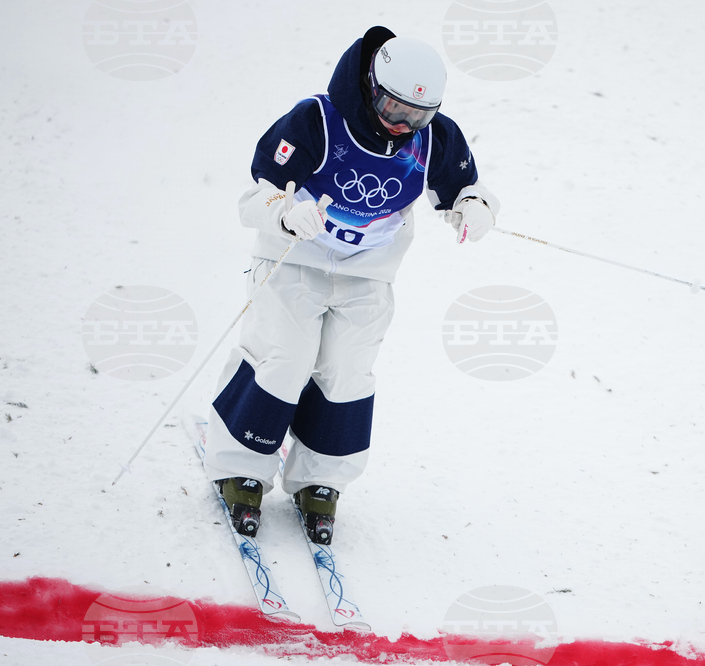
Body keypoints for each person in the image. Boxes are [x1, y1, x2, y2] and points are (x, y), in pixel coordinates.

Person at [202, 26, 500, 544]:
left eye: (417, 116)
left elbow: (462, 188)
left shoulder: (434, 137)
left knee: (348, 372)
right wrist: (286, 212)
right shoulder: (317, 121)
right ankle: (240, 466)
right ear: (371, 86)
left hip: (368, 272)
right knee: (285, 358)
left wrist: (474, 206)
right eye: (392, 107)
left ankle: (320, 479)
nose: (401, 124)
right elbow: (255, 197)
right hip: (294, 259)